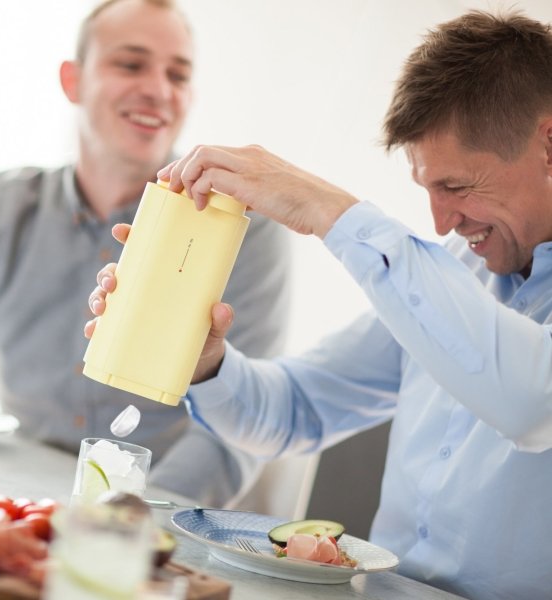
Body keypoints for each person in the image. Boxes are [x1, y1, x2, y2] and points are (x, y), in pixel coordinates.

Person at [87, 10, 552, 600]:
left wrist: (331, 213)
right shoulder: (458, 274)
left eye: (457, 187)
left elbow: (534, 402)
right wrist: (201, 358)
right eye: (429, 190)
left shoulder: (433, 285)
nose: (443, 223)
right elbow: (295, 411)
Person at [0, 0, 292, 507]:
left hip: (153, 513)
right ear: (73, 82)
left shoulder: (242, 229)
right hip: (14, 494)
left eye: (178, 74)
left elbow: (241, 421)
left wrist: (134, 521)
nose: (158, 89)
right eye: (130, 64)